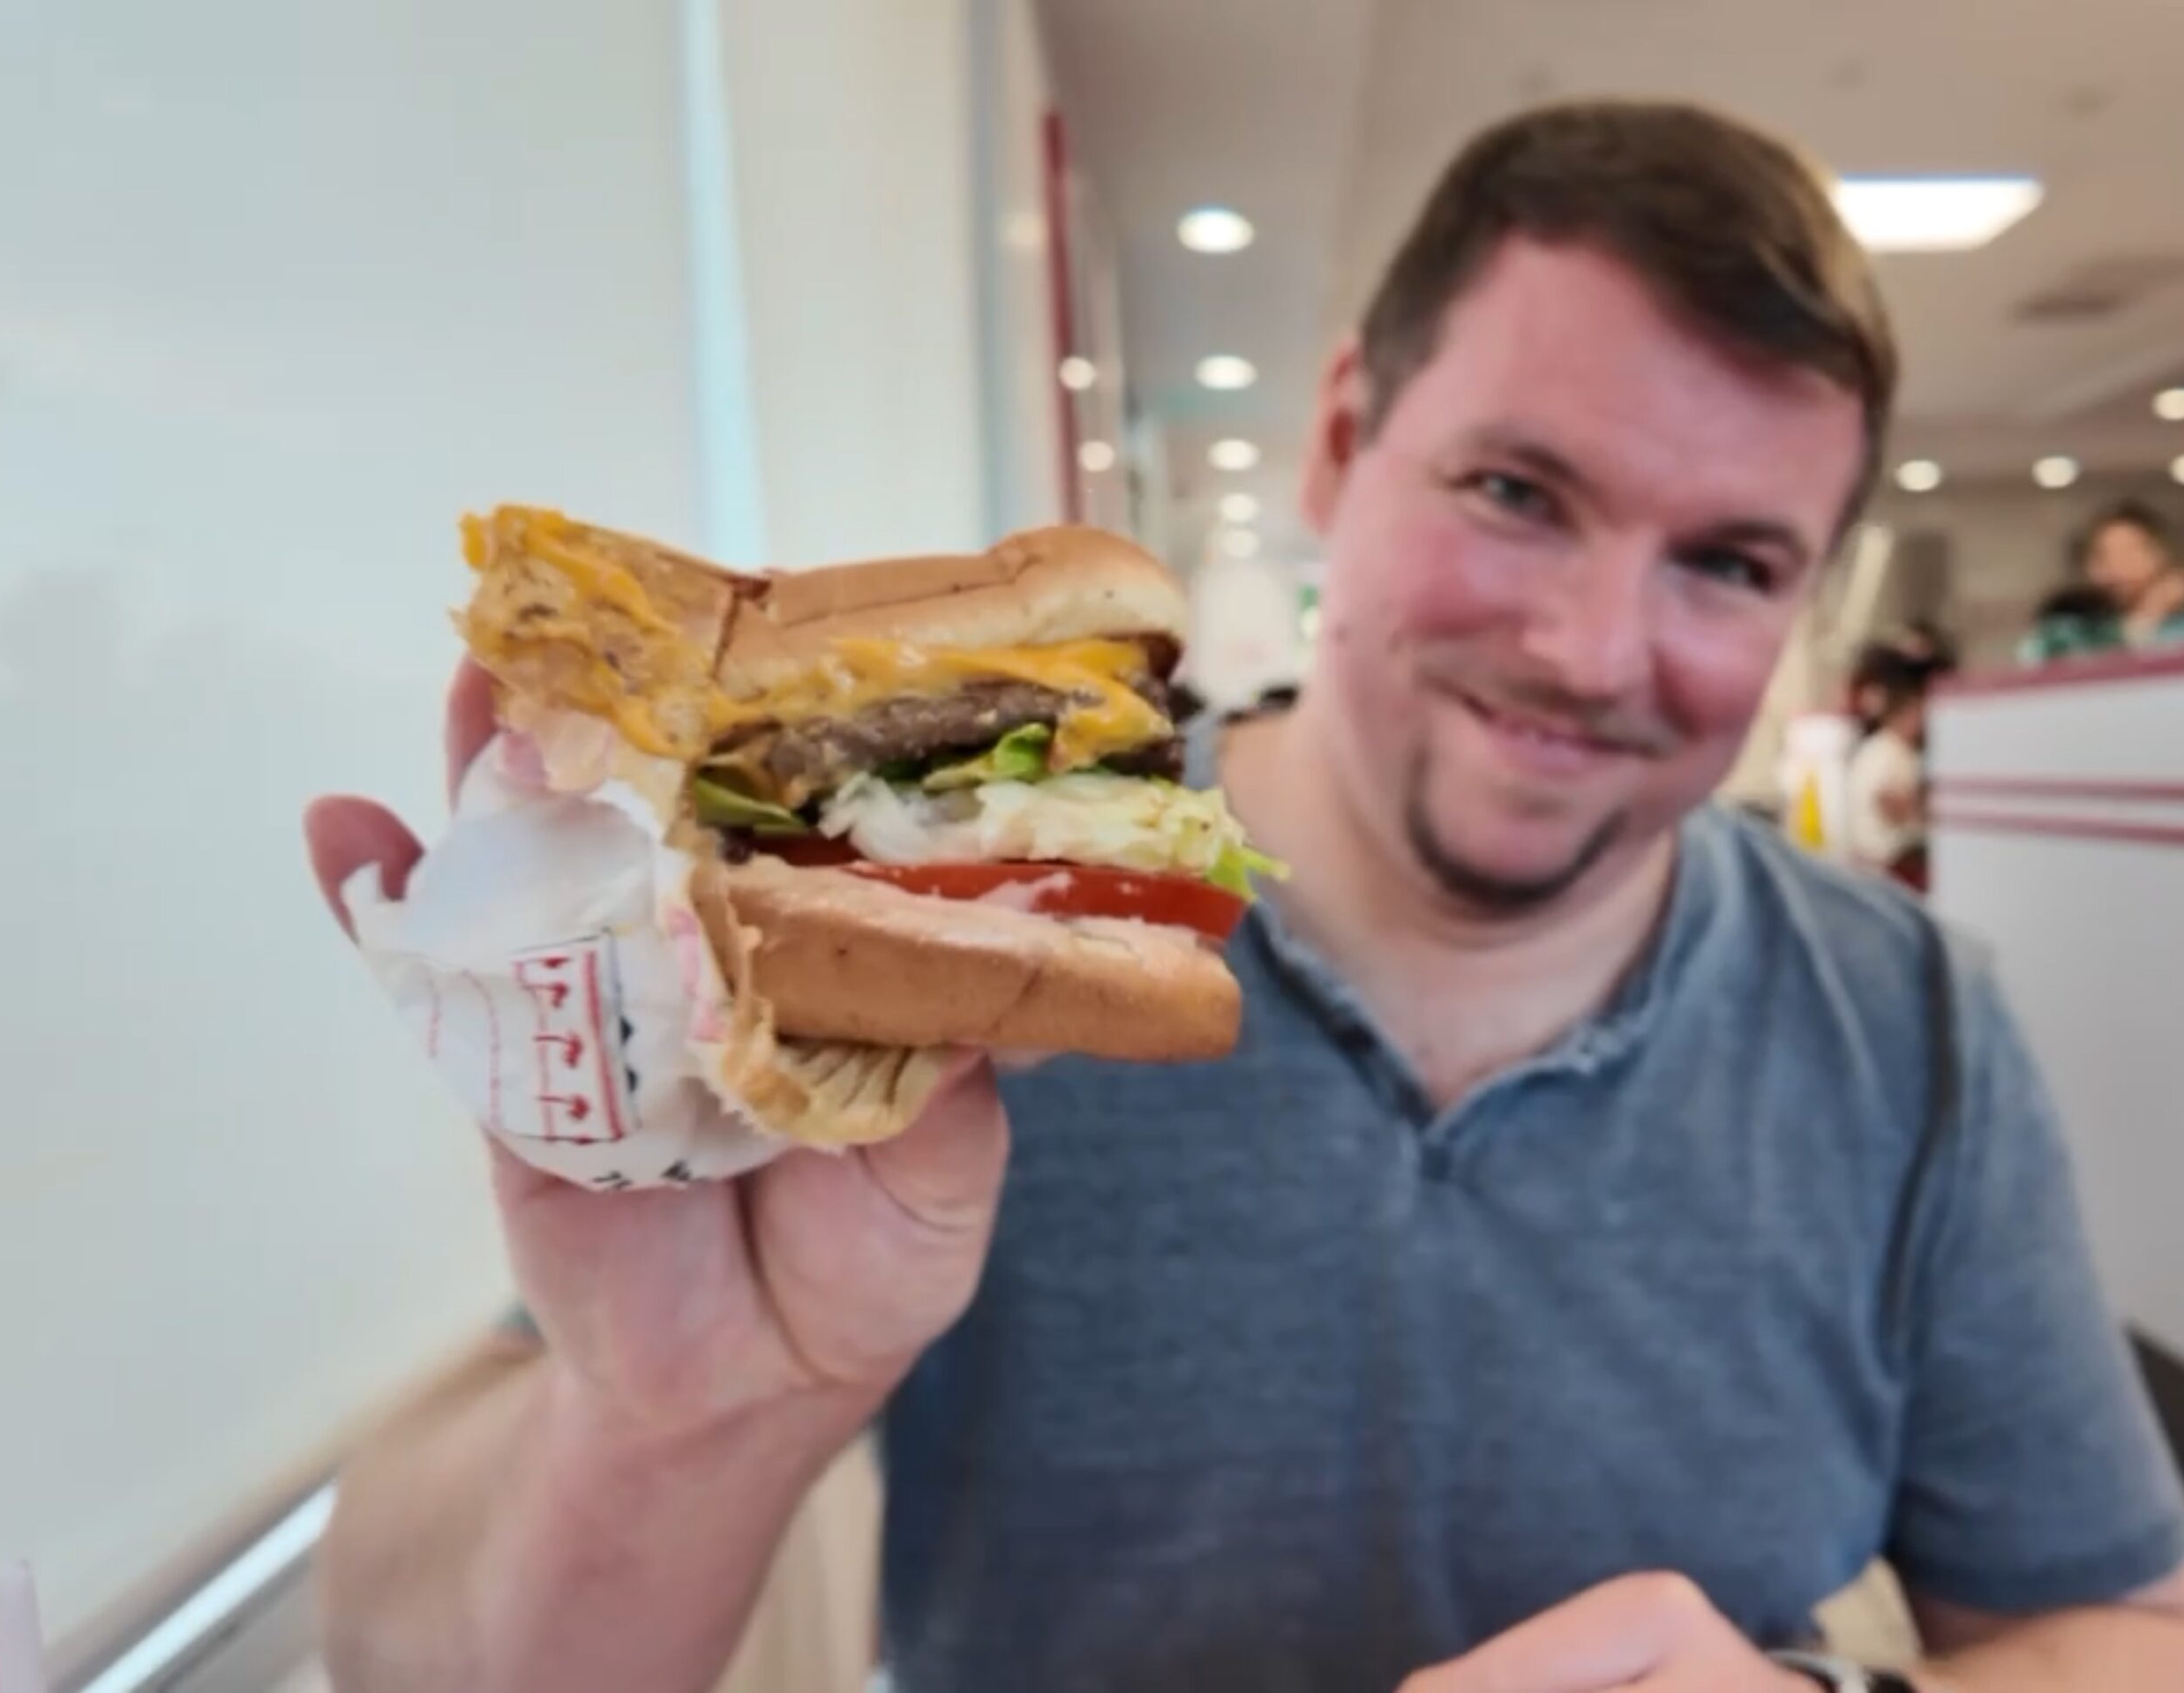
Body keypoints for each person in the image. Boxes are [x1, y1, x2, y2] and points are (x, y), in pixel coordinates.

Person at [303, 101, 2184, 1693]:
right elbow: (394, 1643)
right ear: (1341, 438)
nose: (1590, 645)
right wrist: (669, 1417)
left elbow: (2110, 1617)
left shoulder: (1910, 1024)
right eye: (1518, 489)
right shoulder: (910, 1001)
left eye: (1726, 558)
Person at [2021, 500, 2184, 663]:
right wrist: (2146, 618)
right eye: (2102, 556)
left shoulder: (2177, 628)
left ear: (2162, 556)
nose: (2117, 568)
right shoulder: (2067, 631)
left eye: (2130, 553)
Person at [1845, 657, 1930, 892]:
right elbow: (1887, 802)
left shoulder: (1882, 748)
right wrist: (1924, 814)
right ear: (1907, 713)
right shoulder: (1889, 753)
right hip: (1889, 860)